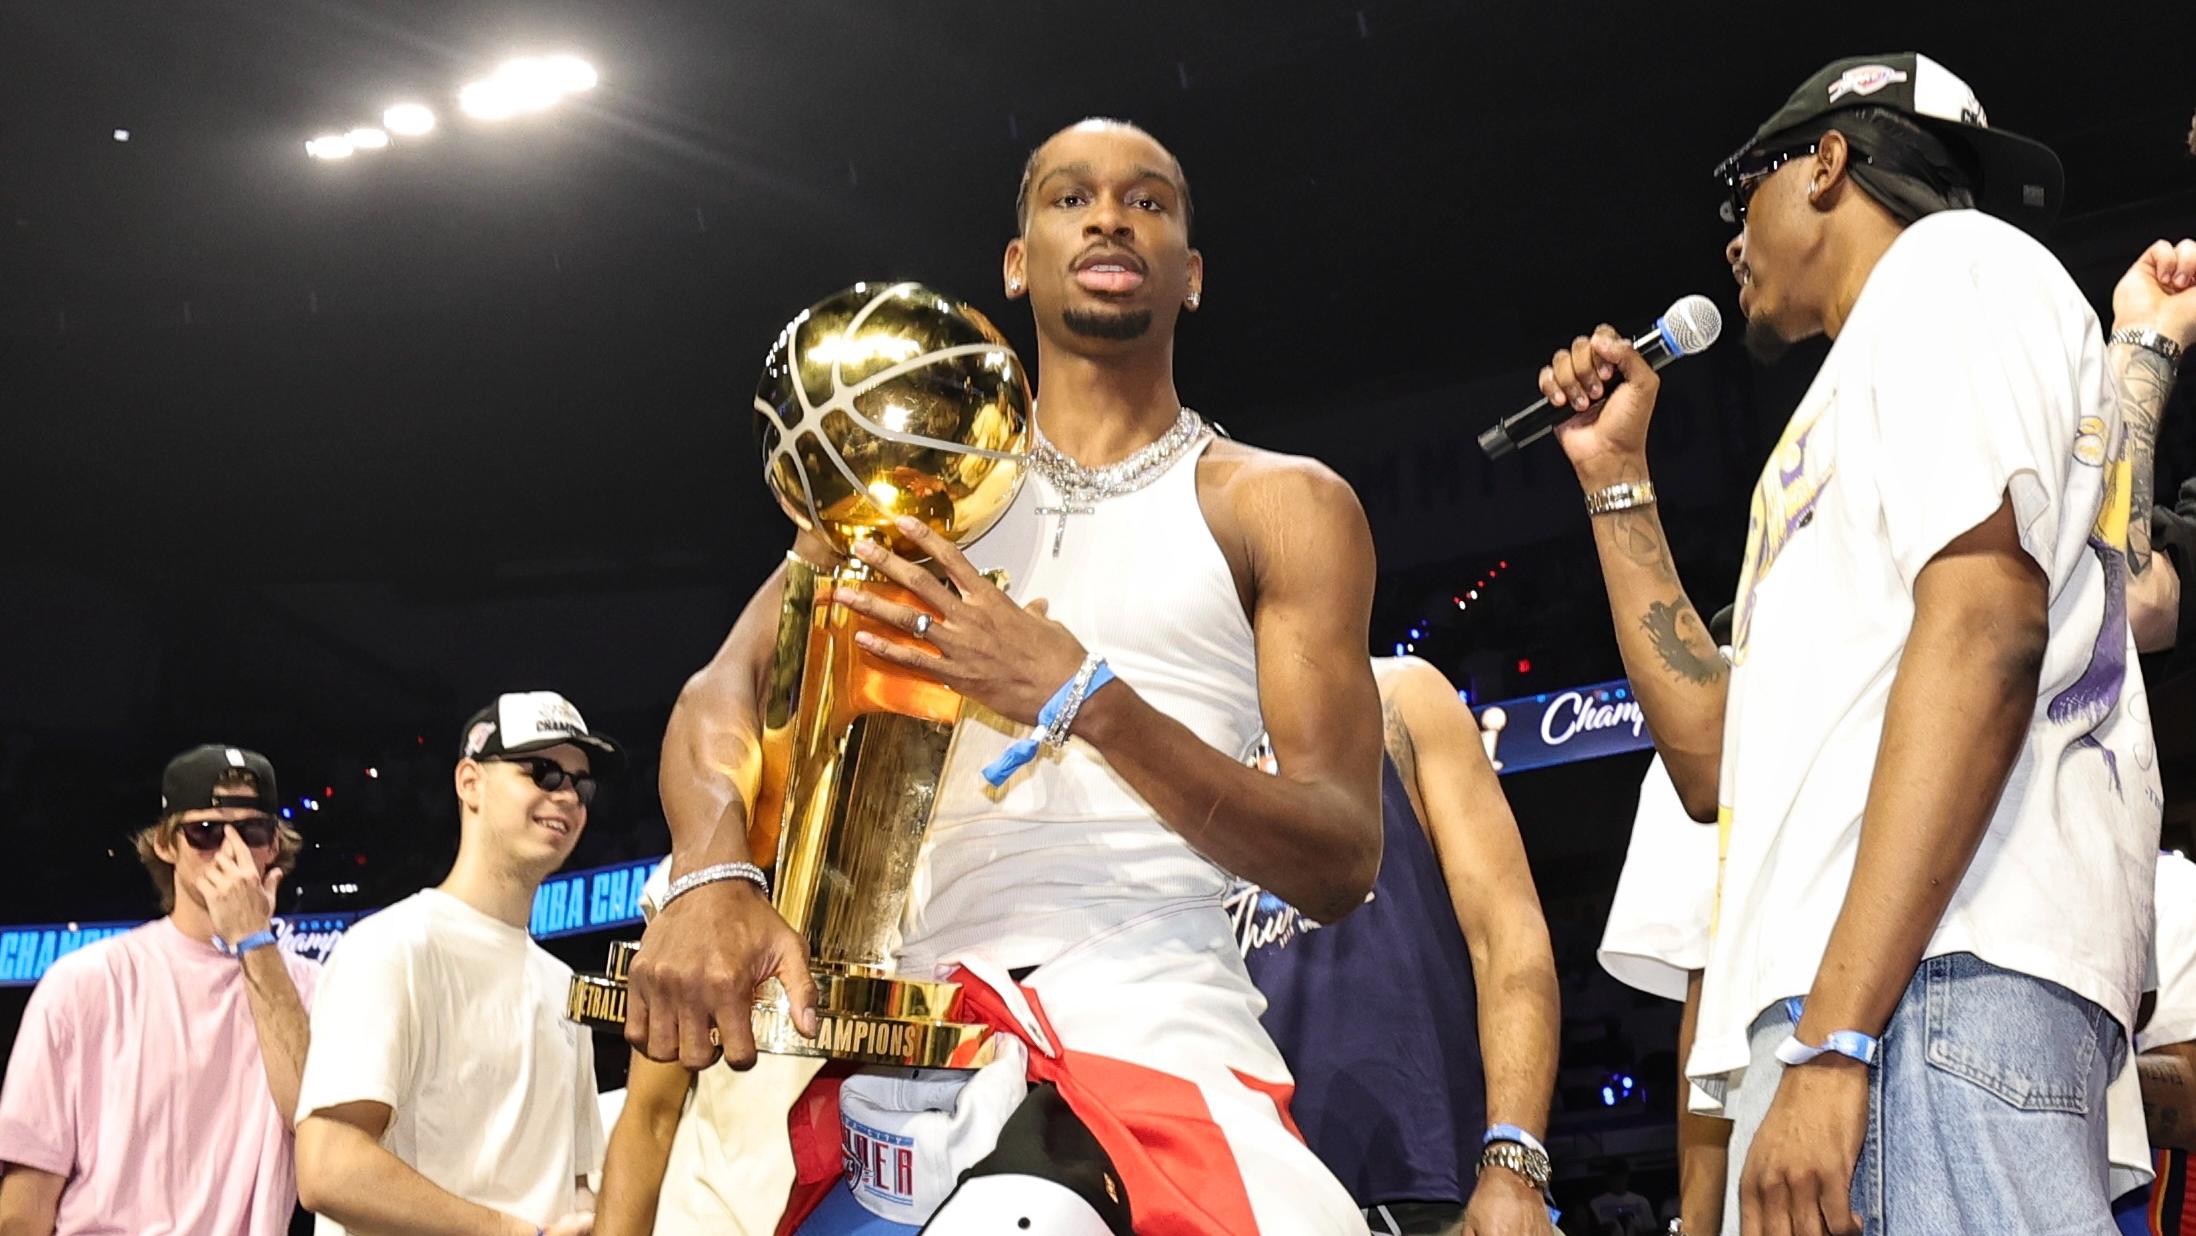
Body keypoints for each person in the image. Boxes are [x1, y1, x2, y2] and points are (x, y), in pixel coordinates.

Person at [622, 117, 1384, 1233]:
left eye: (1150, 201)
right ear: (1018, 263)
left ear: (1193, 276)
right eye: (1071, 199)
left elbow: (1338, 857)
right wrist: (711, 873)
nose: (1112, 216)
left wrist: (1083, 699)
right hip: (907, 1042)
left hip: (1156, 1023)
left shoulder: (1279, 504)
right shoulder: (907, 480)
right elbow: (720, 694)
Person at [1539, 53, 2158, 1234]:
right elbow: (1717, 762)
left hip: (1927, 988)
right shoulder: (1850, 398)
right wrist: (1618, 481)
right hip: (1869, 1005)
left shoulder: (1955, 269)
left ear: (1826, 163)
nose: (1731, 240)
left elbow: (1988, 624)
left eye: (1743, 195)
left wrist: (1839, 1036)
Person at [1236, 656, 1560, 1236]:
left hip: (1428, 1189)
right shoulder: (1169, 730)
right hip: (1240, 1189)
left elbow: (1507, 930)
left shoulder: (1398, 695)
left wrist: (1514, 1163)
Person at [294, 692, 614, 1236]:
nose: (567, 796)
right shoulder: (388, 947)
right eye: (542, 772)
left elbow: (576, 1181)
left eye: (580, 785)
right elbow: (327, 1166)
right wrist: (512, 1233)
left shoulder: (564, 985)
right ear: (470, 782)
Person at [0, 744, 315, 1236]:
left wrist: (254, 940)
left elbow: (310, 1118)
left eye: (252, 832)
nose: (231, 852)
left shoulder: (311, 987)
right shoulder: (86, 982)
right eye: (205, 833)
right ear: (167, 845)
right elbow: (24, 1204)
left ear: (273, 847)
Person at [1585, 1162, 1655, 1236]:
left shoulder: (1641, 1201)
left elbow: (1652, 1229)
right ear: (1608, 1179)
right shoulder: (1596, 1203)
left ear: (1627, 1177)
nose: (1619, 1181)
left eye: (1622, 1176)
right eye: (1615, 1177)